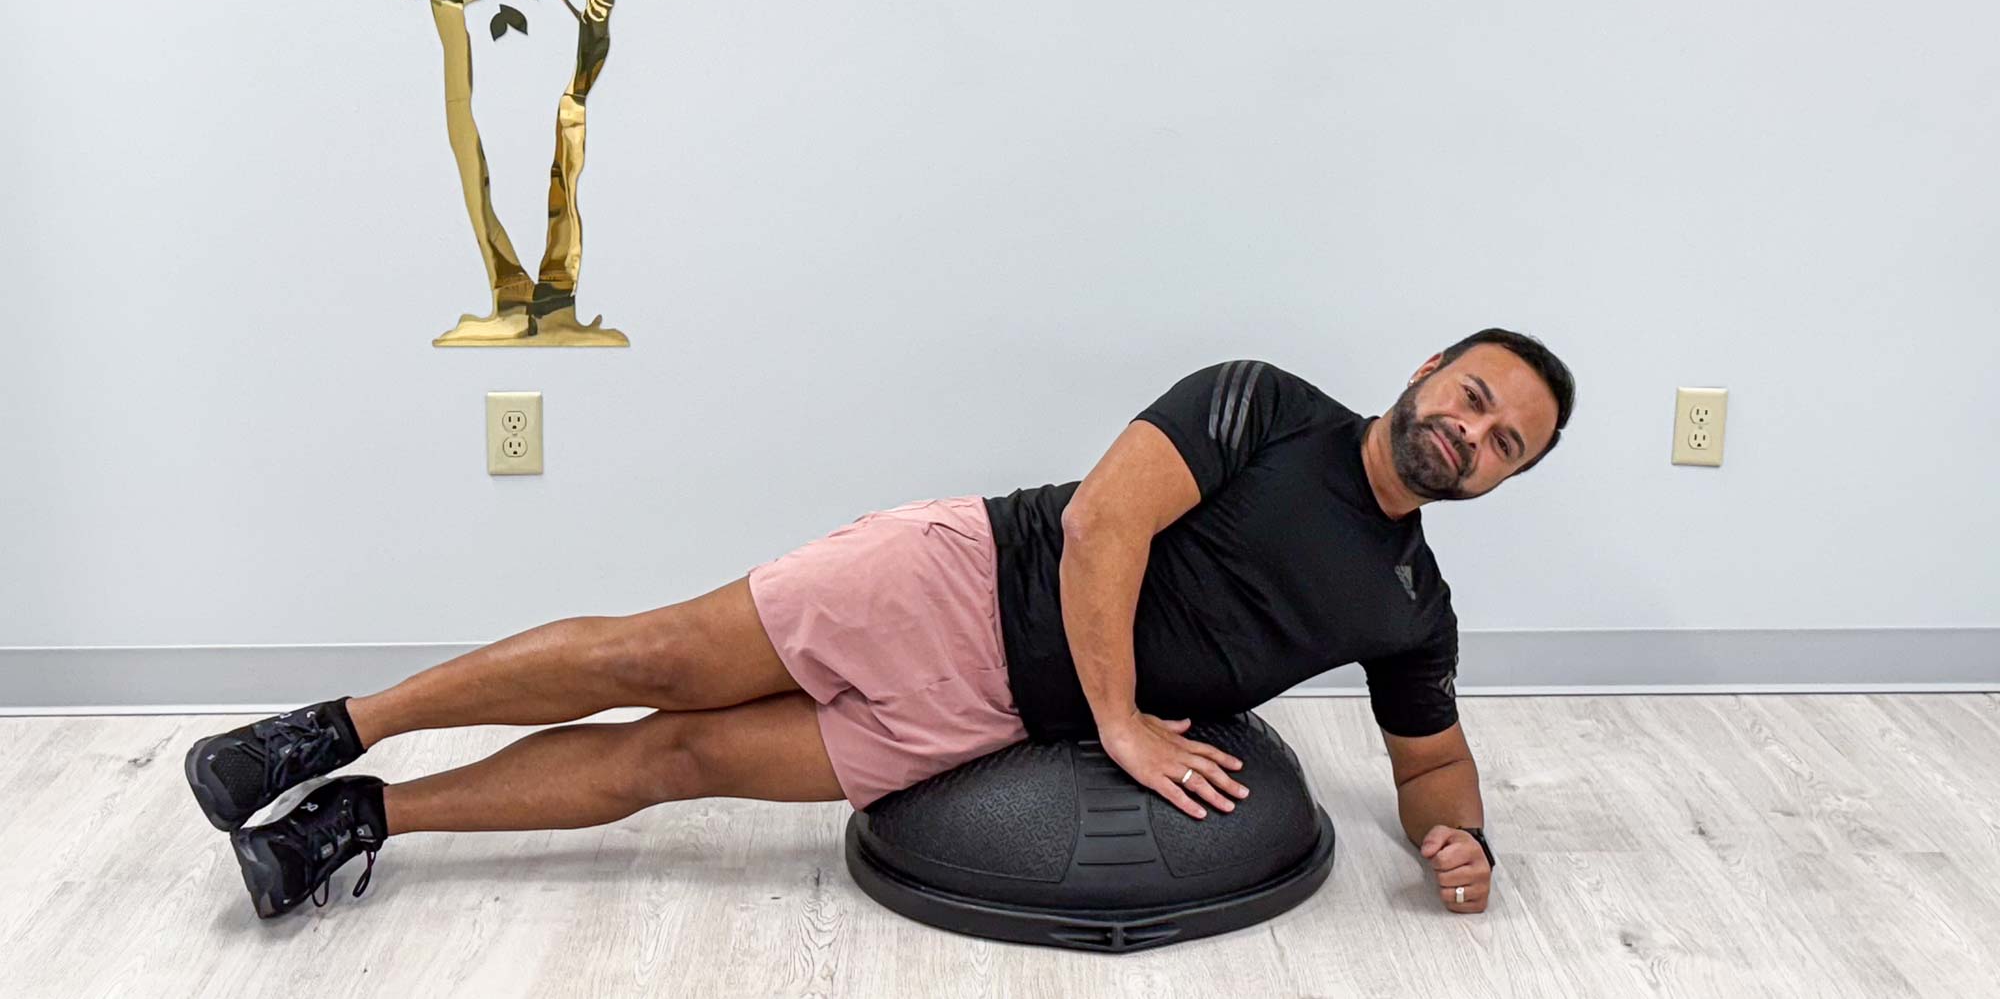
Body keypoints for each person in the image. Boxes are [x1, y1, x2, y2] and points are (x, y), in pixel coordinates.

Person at [186, 327, 1574, 920]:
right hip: (960, 578)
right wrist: (1121, 726)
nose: (1470, 432)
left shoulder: (1410, 606)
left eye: (1503, 440)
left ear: (1509, 475)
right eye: (1472, 396)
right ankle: (324, 728)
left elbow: (1431, 763)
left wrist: (1458, 834)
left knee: (678, 761)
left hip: (979, 718)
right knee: (649, 656)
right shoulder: (1262, 402)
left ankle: (356, 821)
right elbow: (1104, 526)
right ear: (1428, 368)